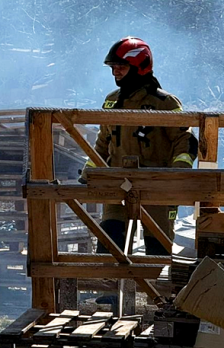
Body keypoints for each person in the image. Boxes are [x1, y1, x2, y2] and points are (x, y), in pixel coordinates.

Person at [81, 36, 198, 256]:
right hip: (118, 186)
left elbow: (185, 140)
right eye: (113, 67)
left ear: (139, 67)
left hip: (157, 188)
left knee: (157, 252)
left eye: (121, 67)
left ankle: (157, 291)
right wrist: (90, 171)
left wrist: (176, 176)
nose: (115, 72)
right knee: (109, 246)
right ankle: (108, 290)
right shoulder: (111, 101)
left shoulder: (165, 103)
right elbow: (102, 142)